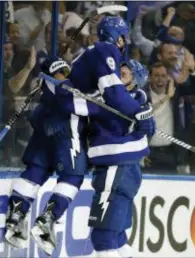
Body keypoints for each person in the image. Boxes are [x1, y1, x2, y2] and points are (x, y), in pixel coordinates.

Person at [41, 16, 156, 257]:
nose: (118, 74)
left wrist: (52, 82)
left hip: (115, 169)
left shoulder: (115, 101)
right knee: (117, 239)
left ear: (135, 84)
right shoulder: (140, 105)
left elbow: (71, 103)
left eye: (124, 75)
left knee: (103, 238)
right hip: (129, 172)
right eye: (119, 70)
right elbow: (148, 129)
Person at [4, 57, 88, 255]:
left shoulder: (45, 86)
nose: (66, 75)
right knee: (72, 176)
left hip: (43, 132)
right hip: (67, 133)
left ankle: (15, 216)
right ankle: (46, 220)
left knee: (36, 171)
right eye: (64, 72)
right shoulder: (68, 85)